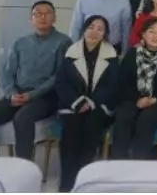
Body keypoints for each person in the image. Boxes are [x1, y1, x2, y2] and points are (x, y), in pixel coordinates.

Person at [0, 1, 71, 160]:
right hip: (18, 94)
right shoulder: (20, 42)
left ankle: (24, 167)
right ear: (31, 19)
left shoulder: (64, 42)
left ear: (54, 18)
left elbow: (59, 76)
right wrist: (11, 93)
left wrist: (31, 95)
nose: (42, 17)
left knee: (22, 118)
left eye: (47, 13)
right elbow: (6, 72)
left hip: (46, 97)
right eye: (37, 14)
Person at [55, 15, 119, 192]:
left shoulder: (111, 55)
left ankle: (84, 179)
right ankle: (67, 183)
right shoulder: (71, 52)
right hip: (72, 105)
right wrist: (78, 102)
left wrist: (91, 101)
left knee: (91, 129)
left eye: (100, 29)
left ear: (105, 34)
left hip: (99, 105)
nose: (94, 32)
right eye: (91, 27)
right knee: (70, 132)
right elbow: (61, 83)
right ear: (84, 29)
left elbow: (112, 85)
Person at [111, 17, 157, 159]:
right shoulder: (133, 54)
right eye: (151, 31)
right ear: (143, 34)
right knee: (124, 116)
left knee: (147, 118)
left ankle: (140, 161)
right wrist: (137, 100)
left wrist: (154, 99)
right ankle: (119, 161)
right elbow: (123, 82)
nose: (156, 35)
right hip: (133, 99)